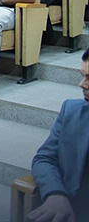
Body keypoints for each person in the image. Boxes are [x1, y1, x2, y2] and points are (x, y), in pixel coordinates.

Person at [27, 47, 89, 222]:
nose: (82, 84)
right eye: (83, 76)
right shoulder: (71, 110)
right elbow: (44, 158)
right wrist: (55, 194)